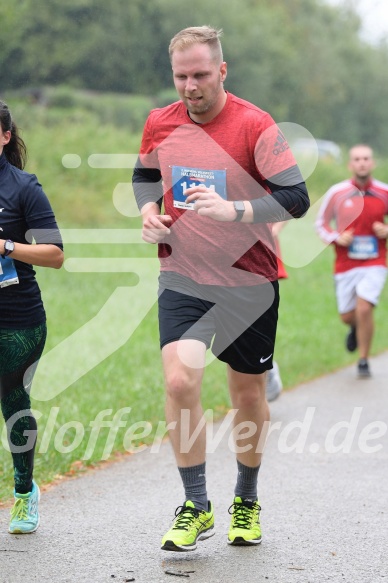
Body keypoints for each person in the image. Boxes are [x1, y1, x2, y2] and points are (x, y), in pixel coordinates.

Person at [132, 26, 309, 551]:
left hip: (248, 281)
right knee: (180, 381)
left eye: (201, 75)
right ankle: (195, 504)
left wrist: (237, 210)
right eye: (181, 76)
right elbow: (144, 174)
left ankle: (247, 500)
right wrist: (149, 212)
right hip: (183, 274)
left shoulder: (255, 125)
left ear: (222, 71)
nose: (190, 86)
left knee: (246, 392)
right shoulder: (159, 122)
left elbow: (296, 196)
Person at [0, 100, 64, 533]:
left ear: (5, 136)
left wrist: (5, 246)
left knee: (12, 403)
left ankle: (24, 493)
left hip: (17, 321)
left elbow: (55, 254)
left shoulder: (23, 188)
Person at [315, 144, 388, 378]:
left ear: (372, 163)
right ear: (350, 164)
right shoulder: (337, 192)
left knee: (365, 307)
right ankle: (355, 327)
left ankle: (363, 360)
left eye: (366, 158)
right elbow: (320, 224)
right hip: (345, 264)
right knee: (348, 315)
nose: (362, 163)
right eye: (357, 159)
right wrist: (337, 236)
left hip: (375, 261)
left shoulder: (384, 192)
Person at [266, 221, 288, 402]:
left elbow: (293, 195)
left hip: (259, 249)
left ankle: (267, 366)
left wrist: (276, 227)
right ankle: (267, 365)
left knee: (256, 319)